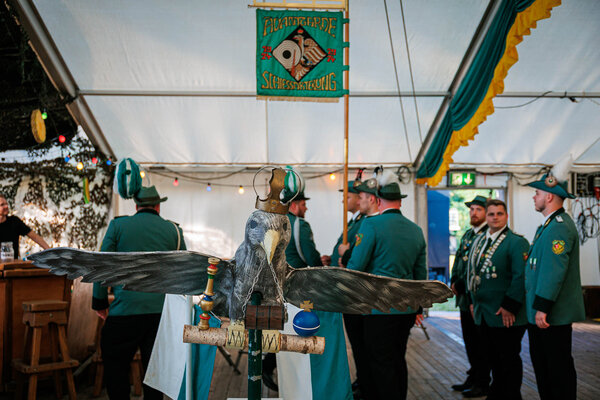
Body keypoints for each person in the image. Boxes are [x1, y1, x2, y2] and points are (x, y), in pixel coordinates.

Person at [92, 185, 186, 400]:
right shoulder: (174, 231)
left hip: (124, 311)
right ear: (158, 206)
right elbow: (183, 272)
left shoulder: (118, 226)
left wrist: (100, 303)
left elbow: (101, 265)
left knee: (116, 368)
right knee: (156, 374)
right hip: (161, 316)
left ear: (136, 206)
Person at [344, 170, 427, 400]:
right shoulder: (416, 231)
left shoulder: (371, 225)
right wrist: (418, 308)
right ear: (400, 201)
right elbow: (421, 275)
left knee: (380, 363)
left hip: (379, 308)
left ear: (378, 200)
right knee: (398, 359)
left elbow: (356, 267)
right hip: (406, 308)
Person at [281, 188, 353, 400]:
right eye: (303, 204)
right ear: (294, 205)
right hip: (299, 289)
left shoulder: (274, 223)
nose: (306, 208)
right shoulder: (299, 225)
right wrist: (319, 265)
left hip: (278, 289)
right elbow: (309, 256)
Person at [525, 173, 585, 400]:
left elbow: (554, 270)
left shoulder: (558, 227)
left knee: (557, 370)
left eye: (537, 193)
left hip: (551, 314)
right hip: (543, 311)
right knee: (545, 369)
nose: (534, 197)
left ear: (549, 196)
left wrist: (543, 306)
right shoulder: (548, 226)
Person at [467, 199, 528, 400]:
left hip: (505, 313)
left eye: (499, 214)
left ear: (506, 216)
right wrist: (473, 301)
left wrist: (510, 306)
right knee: (492, 359)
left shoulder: (516, 242)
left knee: (508, 360)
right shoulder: (480, 241)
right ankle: (497, 394)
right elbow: (473, 273)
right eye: (491, 214)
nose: (495, 218)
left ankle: (511, 396)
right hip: (484, 312)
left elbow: (521, 277)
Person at [449, 195, 490, 396]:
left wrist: (462, 284)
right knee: (470, 341)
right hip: (464, 299)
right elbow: (459, 260)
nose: (473, 213)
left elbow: (479, 269)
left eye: (478, 210)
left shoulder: (487, 236)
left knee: (480, 342)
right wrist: (453, 280)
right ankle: (473, 375)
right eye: (471, 209)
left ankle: (482, 381)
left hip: (477, 299)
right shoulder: (467, 235)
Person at [0, 194, 50, 258]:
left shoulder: (14, 221)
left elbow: (35, 237)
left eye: (6, 204)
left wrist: (50, 252)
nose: (6, 206)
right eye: (2, 205)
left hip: (12, 263)